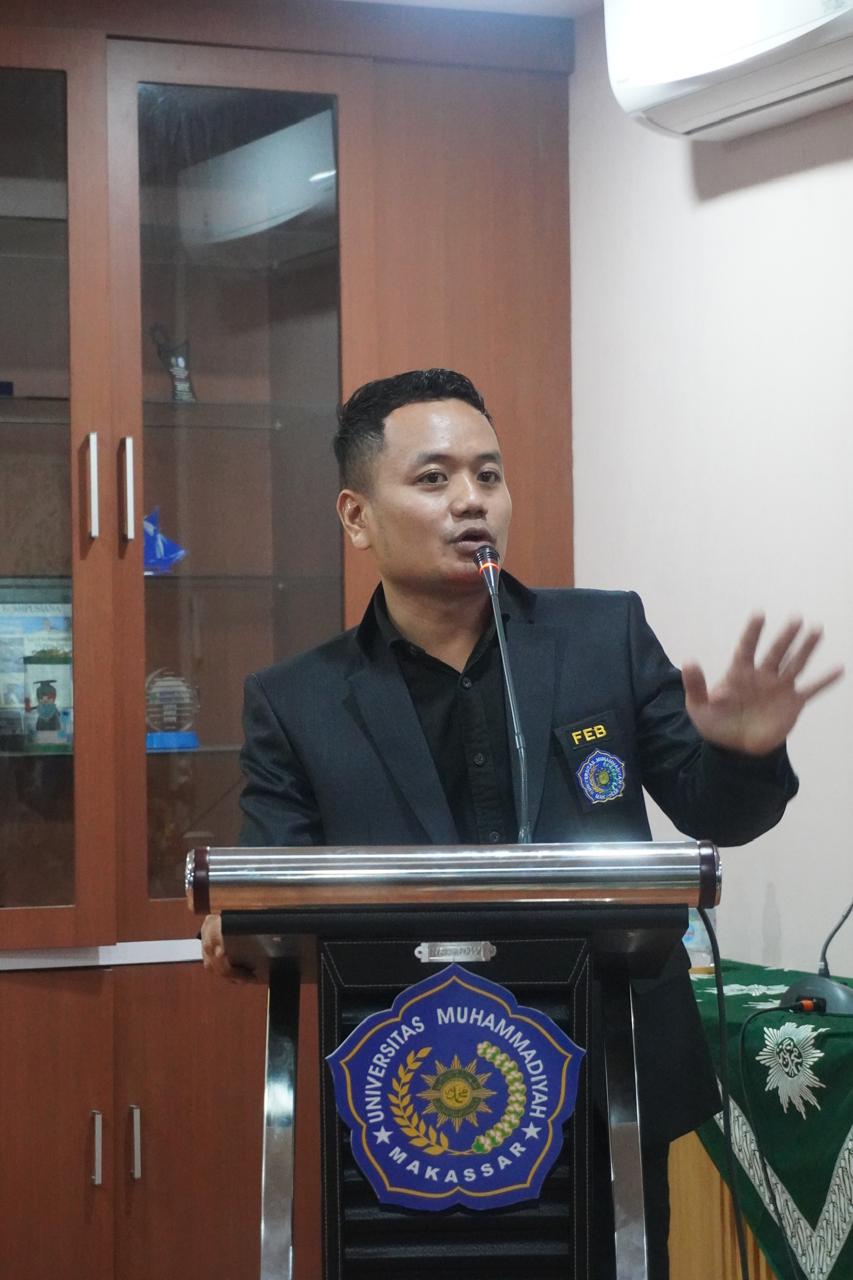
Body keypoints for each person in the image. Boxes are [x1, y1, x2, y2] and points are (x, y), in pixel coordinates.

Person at [201, 368, 842, 1277]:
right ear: (356, 516)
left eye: (488, 474)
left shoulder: (602, 637)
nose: (471, 501)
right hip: (411, 1095)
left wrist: (740, 752)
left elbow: (715, 814)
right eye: (433, 478)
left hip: (609, 1078)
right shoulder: (297, 700)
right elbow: (275, 884)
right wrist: (238, 921)